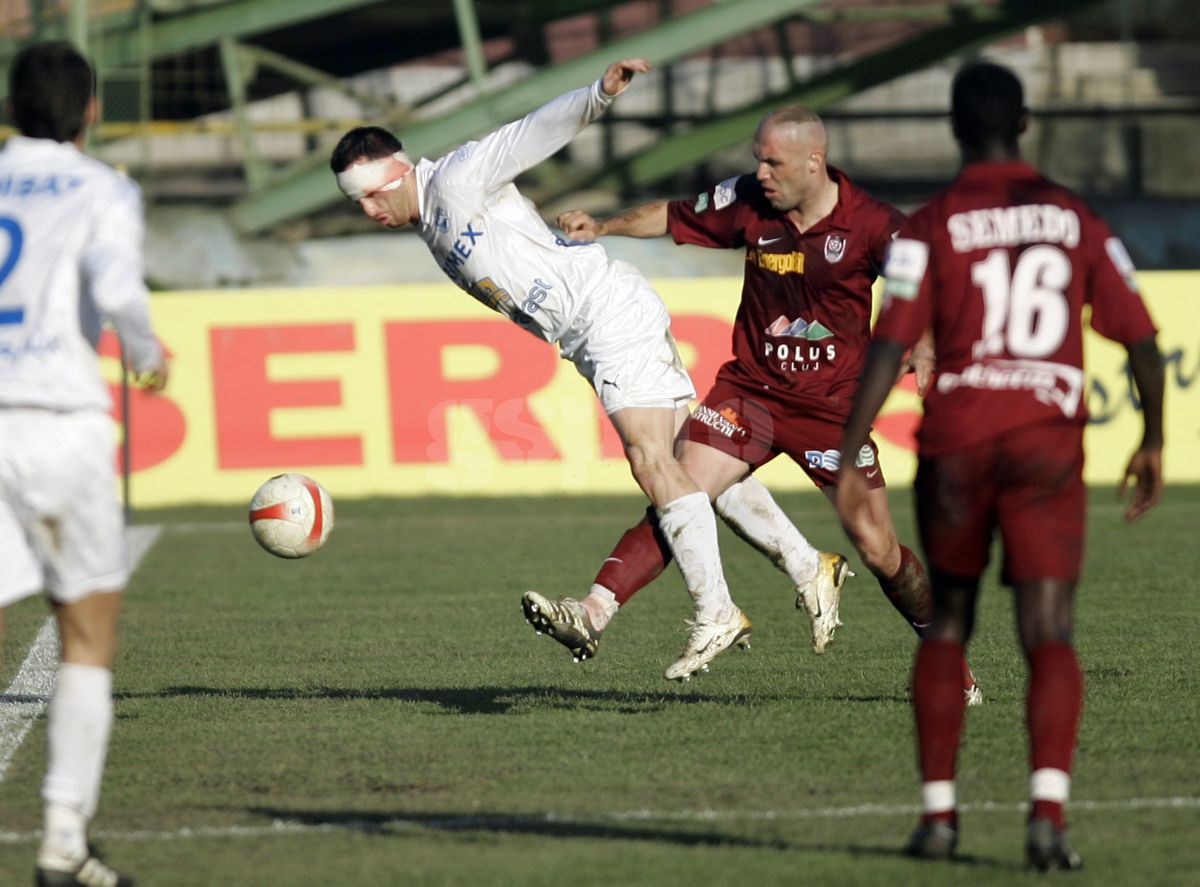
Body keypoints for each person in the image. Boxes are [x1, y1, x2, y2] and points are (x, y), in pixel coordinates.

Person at [525, 104, 980, 701]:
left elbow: (924, 285)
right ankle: (594, 609)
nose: (761, 172)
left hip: (831, 413)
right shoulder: (747, 201)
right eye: (757, 159)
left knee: (879, 550)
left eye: (774, 161)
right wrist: (605, 227)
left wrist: (922, 343)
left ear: (815, 163)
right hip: (751, 394)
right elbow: (673, 213)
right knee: (681, 493)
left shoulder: (872, 223)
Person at [835, 60, 1164, 870]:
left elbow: (888, 340)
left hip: (958, 442)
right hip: (1045, 445)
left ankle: (939, 818)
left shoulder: (935, 223)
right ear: (1024, 125)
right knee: (1048, 629)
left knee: (947, 623)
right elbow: (1143, 338)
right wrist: (1154, 437)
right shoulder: (1075, 216)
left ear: (954, 128)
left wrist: (849, 448)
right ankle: (1047, 816)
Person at [329, 59, 750, 682]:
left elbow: (529, 131)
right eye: (356, 201)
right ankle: (805, 566)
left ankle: (716, 609)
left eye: (369, 195)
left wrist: (597, 96)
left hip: (606, 312)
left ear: (395, 174)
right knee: (695, 460)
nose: (367, 210)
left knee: (651, 460)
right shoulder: (428, 220)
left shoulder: (456, 178)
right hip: (590, 331)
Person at [0, 41, 170, 887]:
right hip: (59, 422)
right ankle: (64, 839)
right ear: (91, 110)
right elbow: (119, 289)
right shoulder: (102, 187)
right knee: (86, 635)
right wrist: (146, 350)